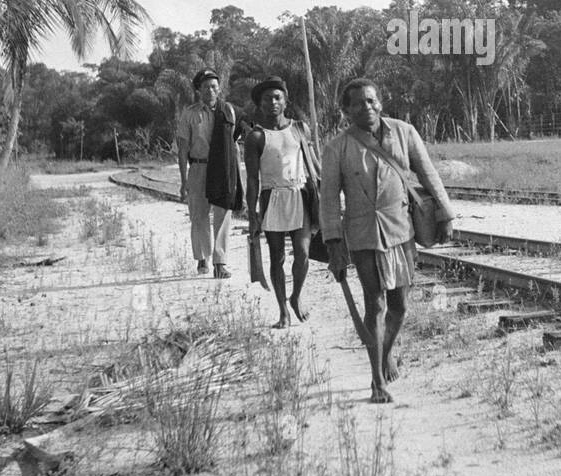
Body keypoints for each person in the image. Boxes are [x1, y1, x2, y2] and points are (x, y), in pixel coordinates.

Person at [320, 78, 454, 403]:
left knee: (400, 306)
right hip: (363, 234)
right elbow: (328, 199)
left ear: (380, 102)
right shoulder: (337, 148)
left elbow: (428, 174)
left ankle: (385, 351)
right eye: (357, 103)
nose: (366, 107)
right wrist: (334, 243)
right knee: (375, 304)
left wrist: (446, 214)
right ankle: (376, 380)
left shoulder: (404, 132)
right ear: (346, 111)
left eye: (371, 101)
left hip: (401, 230)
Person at [244, 76, 321, 329]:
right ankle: (283, 311)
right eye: (267, 99)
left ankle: (296, 295)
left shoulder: (299, 128)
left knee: (303, 252)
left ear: (286, 101)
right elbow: (252, 179)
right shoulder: (256, 137)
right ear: (260, 104)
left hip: (299, 195)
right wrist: (253, 213)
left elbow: (314, 164)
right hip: (272, 197)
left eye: (277, 97)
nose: (273, 103)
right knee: (276, 257)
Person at [175, 68, 245, 275]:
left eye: (214, 86)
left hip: (223, 169)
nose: (210, 90)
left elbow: (235, 144)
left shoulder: (229, 111)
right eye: (206, 87)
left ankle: (220, 263)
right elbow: (182, 150)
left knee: (223, 213)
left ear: (219, 88)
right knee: (199, 215)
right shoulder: (189, 114)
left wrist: (237, 176)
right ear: (199, 90)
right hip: (199, 168)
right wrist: (183, 180)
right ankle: (202, 258)